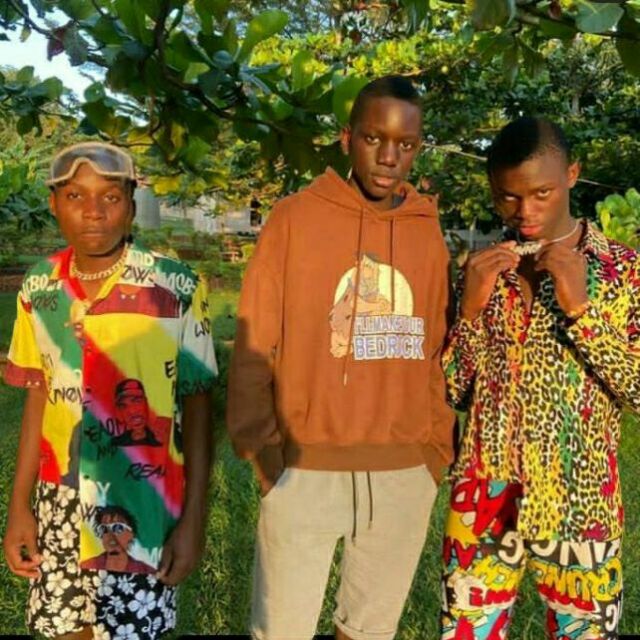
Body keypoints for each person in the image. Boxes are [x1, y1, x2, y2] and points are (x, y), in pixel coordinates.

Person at [227, 76, 455, 640]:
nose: (389, 157)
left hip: (403, 472)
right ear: (347, 137)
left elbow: (434, 347)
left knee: (368, 631)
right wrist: (263, 451)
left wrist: (433, 450)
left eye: (406, 144)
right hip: (305, 466)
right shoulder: (295, 219)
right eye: (375, 139)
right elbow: (256, 341)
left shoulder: (426, 232)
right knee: (281, 630)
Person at [3, 142, 217, 639]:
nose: (93, 211)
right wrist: (19, 506)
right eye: (75, 196)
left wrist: (193, 520)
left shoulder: (175, 286)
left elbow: (198, 406)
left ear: (132, 204)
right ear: (53, 203)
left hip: (142, 498)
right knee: (65, 629)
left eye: (111, 197)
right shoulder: (39, 287)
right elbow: (39, 395)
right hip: (59, 498)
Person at [440, 117, 637, 639]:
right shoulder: (482, 269)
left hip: (582, 500)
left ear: (572, 174)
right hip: (483, 494)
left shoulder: (622, 271)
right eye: (508, 197)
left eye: (541, 193)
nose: (524, 211)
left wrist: (582, 313)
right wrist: (470, 312)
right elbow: (454, 389)